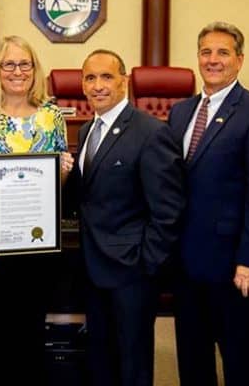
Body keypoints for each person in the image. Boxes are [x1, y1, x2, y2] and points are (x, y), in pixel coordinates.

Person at [167, 21, 249, 385]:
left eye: (222, 52)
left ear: (240, 60)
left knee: (240, 362)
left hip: (233, 267)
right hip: (186, 265)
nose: (213, 60)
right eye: (206, 52)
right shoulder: (180, 112)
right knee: (192, 359)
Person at [0, 35, 73, 385]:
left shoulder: (52, 116)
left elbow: (56, 186)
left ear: (35, 70)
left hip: (37, 243)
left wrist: (63, 171)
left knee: (32, 327)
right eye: (10, 64)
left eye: (26, 64)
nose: (18, 71)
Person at [75, 49, 184, 386]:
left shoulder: (150, 132)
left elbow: (169, 209)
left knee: (133, 361)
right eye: (90, 78)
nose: (97, 86)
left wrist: (145, 264)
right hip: (93, 266)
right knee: (101, 356)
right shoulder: (85, 131)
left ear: (124, 81)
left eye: (106, 77)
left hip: (132, 272)